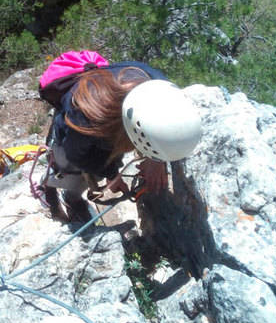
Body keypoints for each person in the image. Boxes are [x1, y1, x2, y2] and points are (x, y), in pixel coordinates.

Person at [46, 61, 201, 222]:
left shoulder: (161, 88)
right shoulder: (85, 120)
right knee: (69, 172)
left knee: (103, 159)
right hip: (71, 137)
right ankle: (55, 194)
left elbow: (167, 128)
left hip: (110, 128)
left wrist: (156, 160)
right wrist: (112, 175)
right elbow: (77, 156)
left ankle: (73, 198)